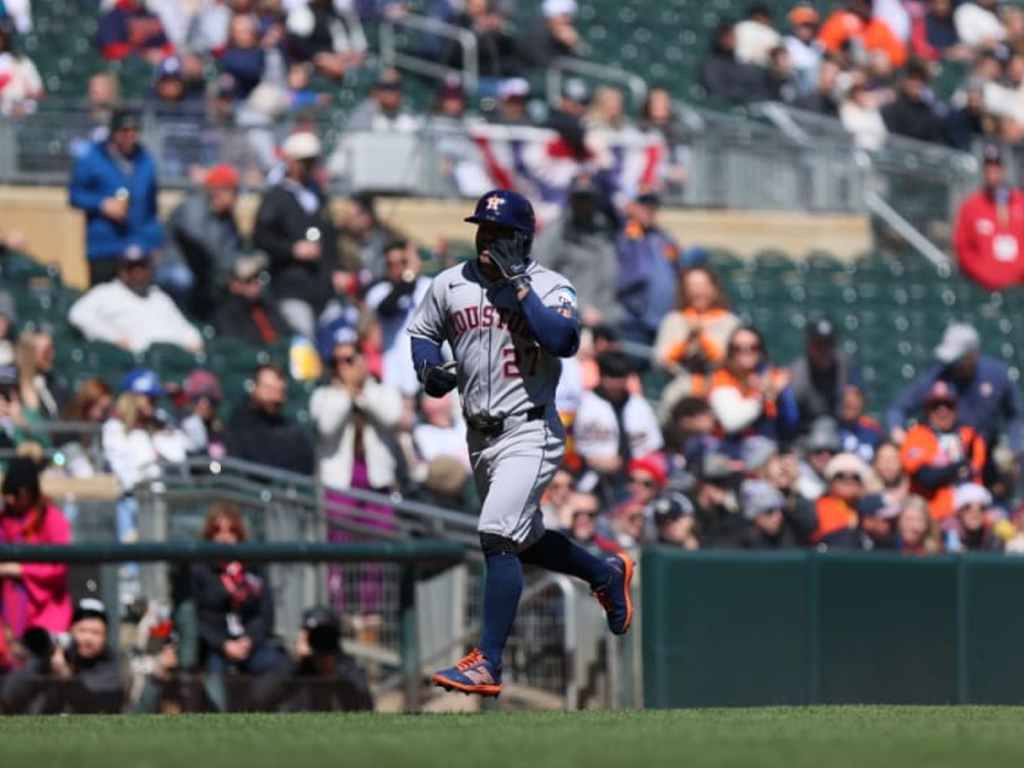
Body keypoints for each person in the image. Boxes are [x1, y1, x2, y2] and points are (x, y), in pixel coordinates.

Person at [407, 189, 634, 696]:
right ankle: (604, 573)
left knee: (496, 534)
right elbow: (422, 332)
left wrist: (519, 287)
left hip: (531, 427)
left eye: (498, 232)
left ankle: (487, 660)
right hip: (480, 435)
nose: (486, 239)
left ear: (521, 239)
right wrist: (428, 367)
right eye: (481, 229)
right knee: (523, 538)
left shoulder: (551, 286)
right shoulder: (450, 283)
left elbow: (564, 341)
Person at [887, 323, 1022, 474]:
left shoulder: (996, 374)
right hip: (944, 453)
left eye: (958, 359)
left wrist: (1014, 446)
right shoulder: (937, 376)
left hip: (986, 447)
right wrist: (896, 429)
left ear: (974, 355)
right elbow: (898, 408)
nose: (953, 364)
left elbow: (1016, 414)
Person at [192, 504, 282, 712]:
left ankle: (251, 711)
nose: (224, 537)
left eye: (231, 531)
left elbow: (265, 614)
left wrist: (248, 640)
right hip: (214, 648)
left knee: (281, 666)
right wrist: (223, 644)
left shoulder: (253, 566)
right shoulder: (199, 568)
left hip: (249, 645)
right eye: (217, 531)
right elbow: (196, 619)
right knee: (213, 681)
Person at [252, 131, 341, 339]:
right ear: (289, 161)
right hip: (291, 288)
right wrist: (292, 249)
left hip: (322, 288)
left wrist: (336, 269)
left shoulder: (318, 196)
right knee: (304, 344)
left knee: (338, 337)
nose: (308, 167)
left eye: (311, 162)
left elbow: (330, 239)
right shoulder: (276, 197)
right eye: (304, 161)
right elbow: (262, 237)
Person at [68, 108, 164, 286]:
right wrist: (102, 204)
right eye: (125, 131)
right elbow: (75, 195)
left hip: (138, 246)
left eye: (134, 130)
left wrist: (153, 242)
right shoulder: (93, 157)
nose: (130, 135)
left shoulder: (145, 159)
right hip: (104, 246)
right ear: (114, 132)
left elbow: (152, 207)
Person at [0, 458, 73, 671]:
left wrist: (18, 569)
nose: (10, 500)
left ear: (28, 492)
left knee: (36, 669)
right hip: (8, 610)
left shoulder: (52, 519)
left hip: (46, 610)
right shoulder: (4, 521)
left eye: (16, 494)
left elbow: (58, 568)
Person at [68, 245, 204, 354]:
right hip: (139, 360)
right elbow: (78, 314)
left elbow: (187, 329)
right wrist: (113, 338)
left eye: (142, 266)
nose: (137, 272)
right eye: (131, 267)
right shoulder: (106, 292)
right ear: (121, 270)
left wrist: (193, 342)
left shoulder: (158, 296)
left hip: (174, 359)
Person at [1, 597, 124, 714]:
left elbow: (104, 704)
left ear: (105, 637)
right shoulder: (48, 660)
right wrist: (42, 664)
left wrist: (66, 678)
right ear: (71, 631)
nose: (87, 638)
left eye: (95, 632)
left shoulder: (109, 668)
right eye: (82, 630)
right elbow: (9, 697)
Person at [531, 173, 619, 329]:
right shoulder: (555, 232)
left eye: (588, 197)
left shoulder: (605, 230)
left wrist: (609, 317)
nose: (584, 203)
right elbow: (540, 278)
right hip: (566, 322)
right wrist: (581, 308)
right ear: (570, 198)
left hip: (604, 323)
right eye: (579, 197)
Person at [574, 350, 663, 501]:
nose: (617, 383)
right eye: (611, 377)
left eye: (621, 377)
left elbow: (655, 446)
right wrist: (594, 461)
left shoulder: (639, 405)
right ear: (601, 376)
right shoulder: (584, 404)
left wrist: (641, 468)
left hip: (635, 483)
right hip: (593, 481)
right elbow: (571, 449)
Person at [162, 164, 244, 319]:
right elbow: (201, 241)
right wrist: (231, 269)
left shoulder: (227, 219)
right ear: (216, 191)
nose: (235, 197)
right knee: (182, 278)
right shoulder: (194, 204)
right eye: (231, 191)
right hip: (172, 265)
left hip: (201, 272)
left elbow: (231, 252)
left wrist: (240, 271)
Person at [900, 380, 986, 523]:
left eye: (948, 405)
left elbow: (976, 474)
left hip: (968, 519)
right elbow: (926, 478)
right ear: (927, 409)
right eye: (936, 405)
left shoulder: (970, 436)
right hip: (931, 519)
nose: (942, 410)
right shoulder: (916, 435)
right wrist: (958, 465)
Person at [654, 265, 742, 402]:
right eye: (692, 286)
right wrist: (688, 339)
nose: (697, 290)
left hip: (719, 390)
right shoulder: (674, 320)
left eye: (702, 285)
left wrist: (702, 337)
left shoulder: (729, 322)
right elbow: (661, 358)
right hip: (681, 390)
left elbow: (730, 360)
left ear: (714, 289)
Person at [708, 325, 798, 456]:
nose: (746, 352)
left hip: (773, 446)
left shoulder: (772, 375)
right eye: (738, 348)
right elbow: (731, 422)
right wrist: (761, 396)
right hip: (733, 451)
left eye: (753, 348)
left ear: (761, 351)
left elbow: (791, 422)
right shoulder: (722, 379)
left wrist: (780, 395)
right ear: (730, 352)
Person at [267, 607, 374, 712]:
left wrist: (334, 674)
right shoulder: (294, 665)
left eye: (324, 634)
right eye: (314, 633)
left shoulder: (345, 666)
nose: (319, 639)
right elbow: (262, 696)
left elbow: (365, 704)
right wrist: (295, 660)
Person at [364, 241, 432, 400]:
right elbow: (387, 309)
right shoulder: (379, 292)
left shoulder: (428, 286)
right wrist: (408, 277)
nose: (396, 269)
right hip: (393, 380)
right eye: (390, 264)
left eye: (402, 263)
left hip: (428, 377)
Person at [953, 144, 1024, 291]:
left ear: (1004, 169)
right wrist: (985, 274)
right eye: (989, 167)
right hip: (982, 288)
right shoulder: (972, 206)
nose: (992, 172)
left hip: (1020, 288)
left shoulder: (1020, 202)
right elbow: (963, 247)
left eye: (996, 166)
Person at [224, 363, 315, 475]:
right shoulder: (239, 423)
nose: (275, 397)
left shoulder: (293, 432)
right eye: (269, 389)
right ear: (255, 388)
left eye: (280, 391)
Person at [789, 318, 862, 434]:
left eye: (828, 344)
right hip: (805, 436)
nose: (823, 350)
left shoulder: (846, 365)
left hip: (842, 431)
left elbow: (854, 406)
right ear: (809, 345)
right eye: (818, 344)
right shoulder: (797, 374)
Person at [211, 253, 291, 347]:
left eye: (258, 277)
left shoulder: (267, 305)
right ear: (234, 285)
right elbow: (237, 348)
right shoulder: (226, 316)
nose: (256, 284)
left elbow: (287, 334)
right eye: (248, 280)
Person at [810, 452, 868, 550]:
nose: (848, 480)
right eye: (840, 475)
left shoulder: (868, 509)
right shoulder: (820, 506)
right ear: (830, 481)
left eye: (855, 477)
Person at [945, 483, 1004, 552]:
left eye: (981, 508)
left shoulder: (993, 540)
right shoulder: (944, 539)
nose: (975, 513)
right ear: (959, 512)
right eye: (968, 507)